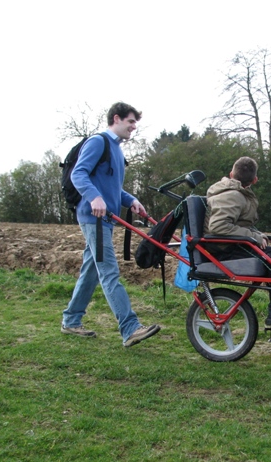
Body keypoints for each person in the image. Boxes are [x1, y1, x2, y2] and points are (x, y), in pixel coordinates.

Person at [61, 102, 161, 347]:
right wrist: (94, 197)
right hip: (93, 218)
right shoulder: (98, 142)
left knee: (92, 270)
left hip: (105, 219)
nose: (133, 128)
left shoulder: (116, 150)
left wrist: (131, 200)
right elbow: (78, 174)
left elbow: (112, 188)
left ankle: (71, 320)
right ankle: (129, 328)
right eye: (130, 122)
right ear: (116, 119)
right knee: (108, 272)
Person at [204, 156, 271, 329]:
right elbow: (218, 226)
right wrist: (252, 236)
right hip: (223, 249)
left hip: (232, 244)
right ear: (255, 180)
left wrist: (258, 234)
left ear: (231, 174)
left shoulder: (236, 193)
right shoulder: (232, 195)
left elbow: (239, 224)